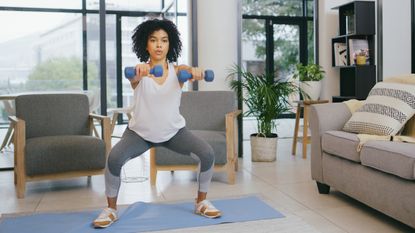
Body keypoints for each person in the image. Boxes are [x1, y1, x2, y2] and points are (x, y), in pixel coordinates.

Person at [93, 18, 221, 228]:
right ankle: (111, 209)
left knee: (206, 153)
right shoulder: (140, 71)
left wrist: (195, 71)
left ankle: (201, 202)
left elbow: (185, 69)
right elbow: (133, 75)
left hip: (174, 133)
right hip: (139, 134)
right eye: (153, 40)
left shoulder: (178, 71)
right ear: (146, 44)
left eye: (164, 40)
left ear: (170, 45)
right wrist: (140, 71)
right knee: (114, 158)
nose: (159, 45)